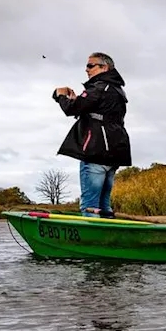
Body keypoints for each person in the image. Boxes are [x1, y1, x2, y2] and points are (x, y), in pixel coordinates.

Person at [54, 52, 132, 217]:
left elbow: (71, 109)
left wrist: (60, 95)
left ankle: (91, 240)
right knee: (104, 206)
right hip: (113, 153)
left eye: (91, 66)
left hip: (96, 152)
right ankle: (108, 240)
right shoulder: (117, 90)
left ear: (104, 68)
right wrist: (78, 101)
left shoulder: (99, 87)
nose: (86, 69)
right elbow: (96, 111)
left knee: (90, 206)